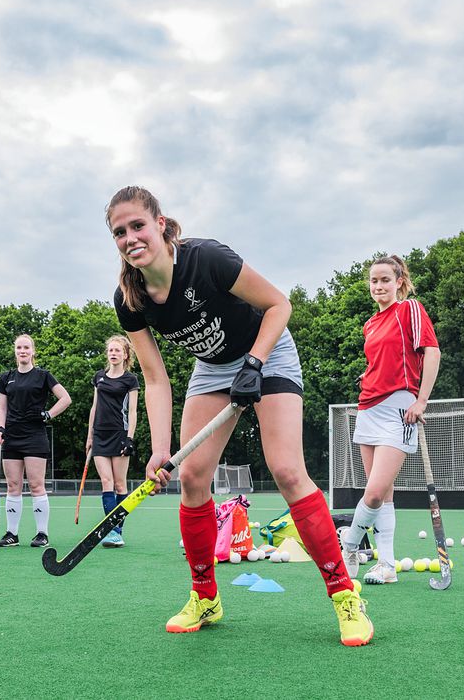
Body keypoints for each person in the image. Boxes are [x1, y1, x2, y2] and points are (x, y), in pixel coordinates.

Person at [106, 186, 371, 646]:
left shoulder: (206, 258)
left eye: (138, 225)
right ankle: (205, 596)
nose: (131, 238)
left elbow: (279, 305)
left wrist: (254, 364)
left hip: (269, 352)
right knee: (191, 477)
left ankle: (345, 593)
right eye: (119, 232)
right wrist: (160, 449)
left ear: (161, 224)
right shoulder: (130, 298)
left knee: (287, 470)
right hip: (211, 368)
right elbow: (155, 379)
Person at [338, 254, 441, 586]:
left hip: (400, 409)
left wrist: (421, 400)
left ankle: (349, 543)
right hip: (368, 409)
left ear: (399, 282)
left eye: (384, 279)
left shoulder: (410, 310)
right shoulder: (369, 323)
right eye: (373, 280)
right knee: (382, 495)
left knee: (373, 493)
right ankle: (387, 564)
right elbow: (379, 361)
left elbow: (431, 351)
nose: (378, 285)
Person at [0, 334, 71, 548]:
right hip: (12, 437)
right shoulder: (6, 377)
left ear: (33, 351)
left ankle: (42, 534)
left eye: (26, 347)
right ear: (15, 351)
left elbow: (65, 398)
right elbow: (2, 407)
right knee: (13, 485)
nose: (23, 351)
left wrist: (48, 415)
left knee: (37, 485)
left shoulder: (43, 375)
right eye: (19, 347)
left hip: (35, 436)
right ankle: (12, 534)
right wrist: (1, 428)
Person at [85, 334, 140, 548]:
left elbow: (133, 411)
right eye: (111, 350)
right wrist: (89, 435)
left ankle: (117, 531)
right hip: (99, 435)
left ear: (125, 355)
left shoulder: (130, 380)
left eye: (118, 350)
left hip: (119, 434)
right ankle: (112, 531)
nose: (113, 353)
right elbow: (94, 407)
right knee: (106, 482)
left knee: (119, 484)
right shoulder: (99, 377)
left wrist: (130, 438)